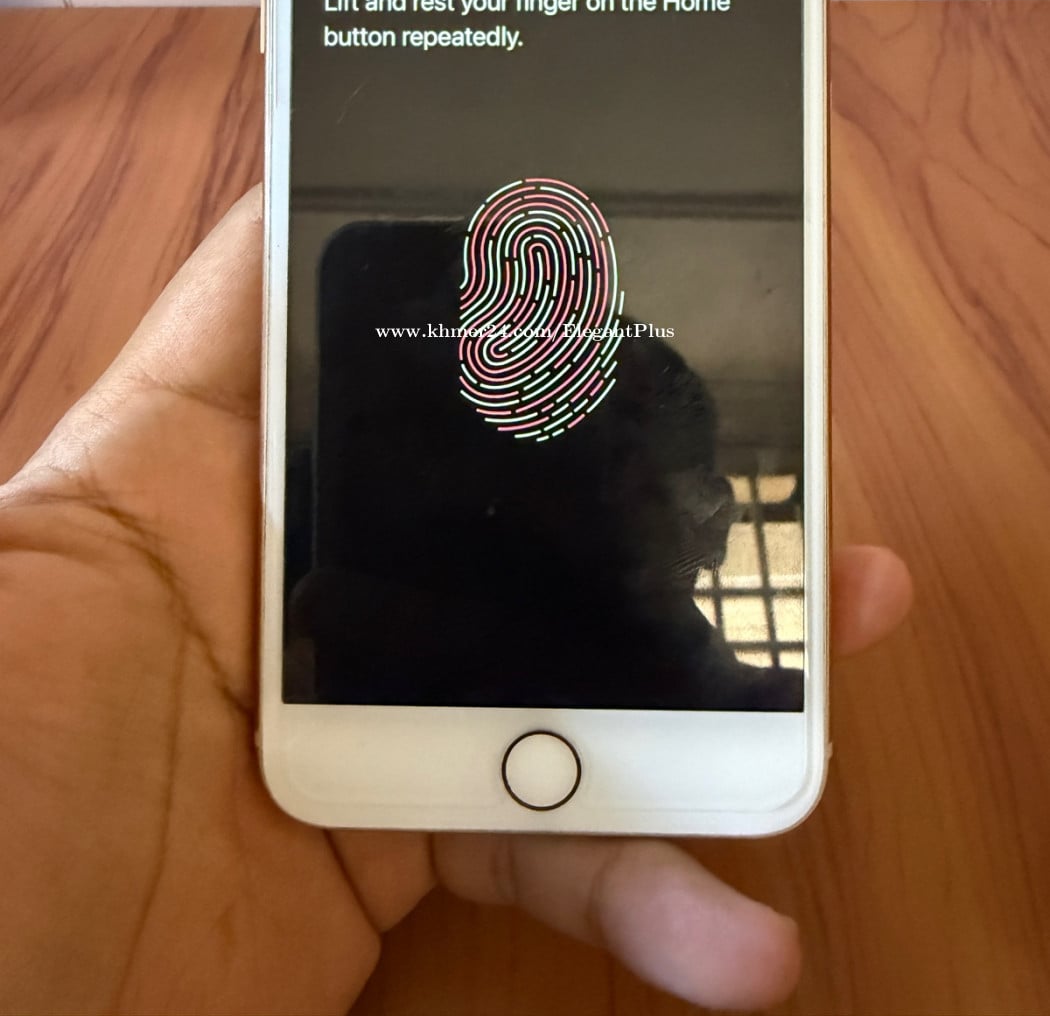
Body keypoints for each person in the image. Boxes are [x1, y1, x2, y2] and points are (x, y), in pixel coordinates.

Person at [0, 190, 912, 1015]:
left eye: (630, 455)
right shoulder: (376, 610)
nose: (576, 491)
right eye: (556, 453)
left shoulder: (741, 713)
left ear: (706, 512)